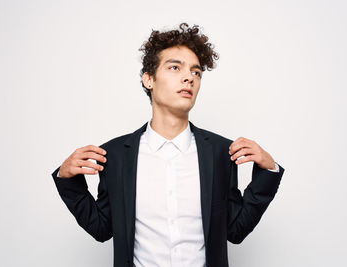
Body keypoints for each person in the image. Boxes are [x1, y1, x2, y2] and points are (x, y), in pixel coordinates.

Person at [51, 22, 284, 267]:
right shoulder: (116, 155)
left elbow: (235, 230)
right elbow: (101, 228)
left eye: (196, 72)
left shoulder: (220, 153)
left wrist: (268, 172)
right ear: (149, 79)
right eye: (175, 67)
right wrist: (68, 181)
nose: (189, 78)